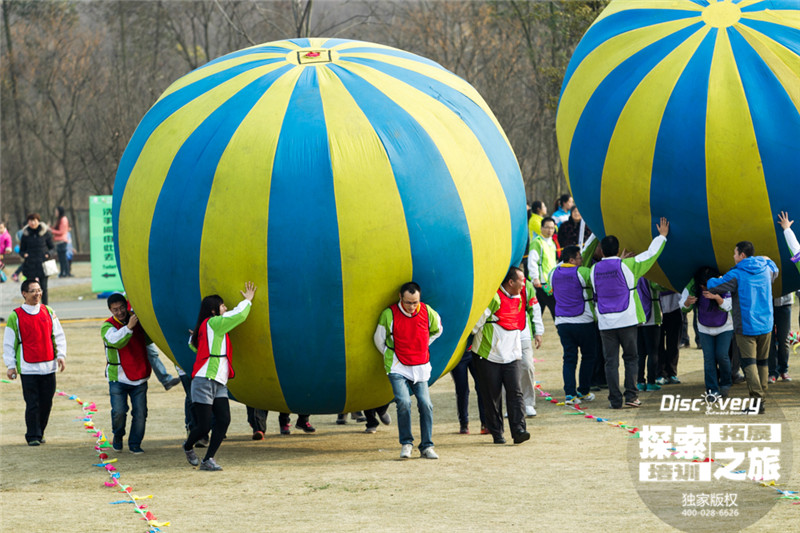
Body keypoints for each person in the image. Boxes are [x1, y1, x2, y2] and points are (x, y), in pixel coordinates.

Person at [590, 217, 669, 409]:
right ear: (618, 250)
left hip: (606, 322)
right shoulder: (629, 265)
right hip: (627, 320)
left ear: (601, 250)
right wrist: (662, 236)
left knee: (611, 362)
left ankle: (614, 400)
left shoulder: (593, 269)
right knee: (631, 359)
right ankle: (632, 396)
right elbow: (650, 254)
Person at [183, 281, 256, 471]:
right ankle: (188, 446)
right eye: (223, 305)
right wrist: (247, 300)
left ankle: (208, 459)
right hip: (204, 379)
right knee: (204, 426)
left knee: (223, 420)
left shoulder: (210, 328)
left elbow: (195, 346)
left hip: (219, 381)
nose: (226, 308)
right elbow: (238, 315)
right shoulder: (214, 323)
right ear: (214, 310)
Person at [373, 281, 442, 459]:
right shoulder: (389, 314)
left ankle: (427, 446)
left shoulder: (428, 312)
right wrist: (392, 355)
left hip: (420, 365)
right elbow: (379, 339)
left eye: (415, 302)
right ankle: (406, 443)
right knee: (403, 402)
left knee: (426, 404)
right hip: (397, 365)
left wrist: (422, 346)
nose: (412, 306)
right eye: (408, 302)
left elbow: (437, 330)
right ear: (400, 298)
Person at [707, 241, 777, 410]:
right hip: (766, 323)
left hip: (746, 326)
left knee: (749, 364)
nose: (733, 256)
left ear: (742, 256)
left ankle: (757, 400)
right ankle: (761, 397)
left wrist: (715, 278)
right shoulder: (766, 268)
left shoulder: (736, 274)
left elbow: (713, 286)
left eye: (735, 253)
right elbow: (775, 267)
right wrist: (766, 259)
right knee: (763, 362)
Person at [471, 267, 538, 445]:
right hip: (488, 356)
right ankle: (497, 433)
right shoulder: (493, 298)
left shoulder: (520, 297)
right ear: (510, 282)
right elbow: (476, 324)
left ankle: (519, 431)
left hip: (512, 355)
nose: (524, 284)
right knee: (492, 396)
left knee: (515, 393)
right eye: (521, 280)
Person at [3, 279, 67, 445]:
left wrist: (61, 355)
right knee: (32, 403)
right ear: (24, 293)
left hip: (48, 366)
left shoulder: (48, 311)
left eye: (39, 290)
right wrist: (11, 366)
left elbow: (58, 335)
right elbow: (9, 343)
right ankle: (32, 436)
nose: (37, 294)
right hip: (27, 367)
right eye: (33, 291)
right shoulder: (15, 316)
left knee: (46, 403)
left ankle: (40, 431)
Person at [101, 293, 152, 454]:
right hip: (118, 378)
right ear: (110, 310)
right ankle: (118, 435)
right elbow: (116, 341)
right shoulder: (107, 326)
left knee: (141, 413)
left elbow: (151, 338)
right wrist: (129, 327)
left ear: (127, 306)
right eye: (115, 309)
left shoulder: (138, 319)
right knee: (119, 412)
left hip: (140, 376)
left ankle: (135, 443)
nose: (120, 312)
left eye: (122, 308)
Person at [550, 242, 599, 404]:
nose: (582, 260)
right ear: (572, 259)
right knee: (588, 357)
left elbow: (548, 289)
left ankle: (570, 394)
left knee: (569, 359)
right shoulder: (583, 272)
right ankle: (583, 391)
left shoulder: (552, 273)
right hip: (584, 321)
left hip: (562, 322)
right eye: (579, 258)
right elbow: (599, 280)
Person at [680, 267, 733, 398]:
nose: (705, 288)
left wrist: (717, 298)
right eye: (702, 286)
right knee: (709, 359)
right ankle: (712, 390)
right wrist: (688, 302)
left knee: (722, 356)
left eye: (707, 285)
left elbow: (729, 306)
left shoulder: (724, 282)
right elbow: (682, 306)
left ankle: (726, 383)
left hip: (725, 326)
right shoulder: (692, 286)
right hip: (704, 327)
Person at [19, 214, 55, 305]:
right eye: (30, 221)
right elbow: (21, 250)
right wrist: (24, 255)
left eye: (34, 220)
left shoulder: (45, 233)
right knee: (30, 288)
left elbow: (52, 248)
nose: (33, 222)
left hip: (42, 264)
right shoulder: (25, 234)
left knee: (43, 288)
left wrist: (48, 254)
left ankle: (45, 307)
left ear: (38, 221)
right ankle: (30, 306)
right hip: (30, 264)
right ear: (28, 222)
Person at [528, 216, 559, 319]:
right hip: (543, 283)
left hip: (550, 281)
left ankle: (534, 332)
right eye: (547, 227)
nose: (550, 230)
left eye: (552, 228)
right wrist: (535, 278)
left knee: (538, 309)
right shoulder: (537, 242)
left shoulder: (552, 243)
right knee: (555, 307)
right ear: (541, 228)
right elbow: (532, 261)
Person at [451, 348, 486, 434]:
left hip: (476, 351)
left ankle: (485, 423)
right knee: (462, 389)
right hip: (458, 353)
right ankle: (463, 423)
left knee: (482, 388)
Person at [655, 290, 682, 385]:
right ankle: (660, 374)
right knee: (658, 344)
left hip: (675, 307)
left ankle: (672, 373)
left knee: (673, 343)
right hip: (657, 308)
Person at [50, 206, 71, 278]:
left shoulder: (63, 219)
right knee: (61, 258)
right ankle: (62, 272)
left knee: (63, 258)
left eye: (56, 211)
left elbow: (61, 231)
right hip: (58, 241)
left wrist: (51, 230)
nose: (55, 213)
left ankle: (66, 272)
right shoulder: (59, 220)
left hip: (62, 241)